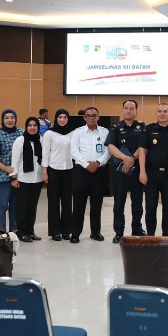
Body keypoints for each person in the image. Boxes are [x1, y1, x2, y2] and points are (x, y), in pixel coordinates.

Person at [106, 99, 146, 243]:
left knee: (137, 202)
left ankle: (137, 230)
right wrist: (125, 158)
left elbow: (143, 146)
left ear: (136, 111)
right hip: (120, 171)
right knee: (119, 203)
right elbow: (110, 146)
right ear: (123, 110)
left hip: (136, 170)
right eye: (126, 108)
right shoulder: (116, 127)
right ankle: (119, 232)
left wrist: (132, 158)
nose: (128, 111)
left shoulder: (142, 127)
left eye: (131, 108)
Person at [139, 103, 168, 236]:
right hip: (151, 174)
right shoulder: (148, 129)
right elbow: (142, 151)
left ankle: (166, 235)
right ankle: (151, 235)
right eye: (159, 111)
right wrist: (142, 171)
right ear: (156, 113)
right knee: (151, 207)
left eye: (165, 111)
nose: (162, 114)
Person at [70, 107, 110, 243]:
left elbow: (108, 151)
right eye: (88, 115)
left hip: (99, 171)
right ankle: (75, 233)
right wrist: (86, 165)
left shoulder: (105, 132)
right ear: (84, 118)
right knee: (79, 204)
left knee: (96, 204)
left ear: (98, 117)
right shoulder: (78, 132)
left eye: (94, 115)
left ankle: (95, 232)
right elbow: (74, 151)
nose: (91, 118)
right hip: (81, 171)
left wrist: (98, 162)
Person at [0, 109, 23, 233]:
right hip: (2, 176)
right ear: (2, 120)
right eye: (6, 118)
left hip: (19, 176)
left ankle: (15, 230)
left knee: (16, 205)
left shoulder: (21, 133)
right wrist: (6, 168)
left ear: (15, 119)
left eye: (12, 117)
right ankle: (0, 230)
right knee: (1, 205)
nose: (9, 120)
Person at [41, 109, 74, 241]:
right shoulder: (49, 133)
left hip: (69, 170)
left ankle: (66, 231)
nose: (62, 119)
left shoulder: (72, 133)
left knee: (67, 201)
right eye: (60, 117)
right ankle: (55, 231)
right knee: (53, 201)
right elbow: (45, 154)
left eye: (65, 117)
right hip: (53, 170)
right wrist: (44, 172)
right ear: (56, 118)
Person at [10, 117, 44, 242]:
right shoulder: (20, 140)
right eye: (29, 125)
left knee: (32, 207)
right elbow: (15, 160)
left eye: (35, 125)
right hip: (23, 178)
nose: (32, 127)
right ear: (26, 126)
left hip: (37, 178)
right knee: (23, 207)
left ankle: (30, 231)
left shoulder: (41, 139)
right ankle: (22, 232)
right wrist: (14, 177)